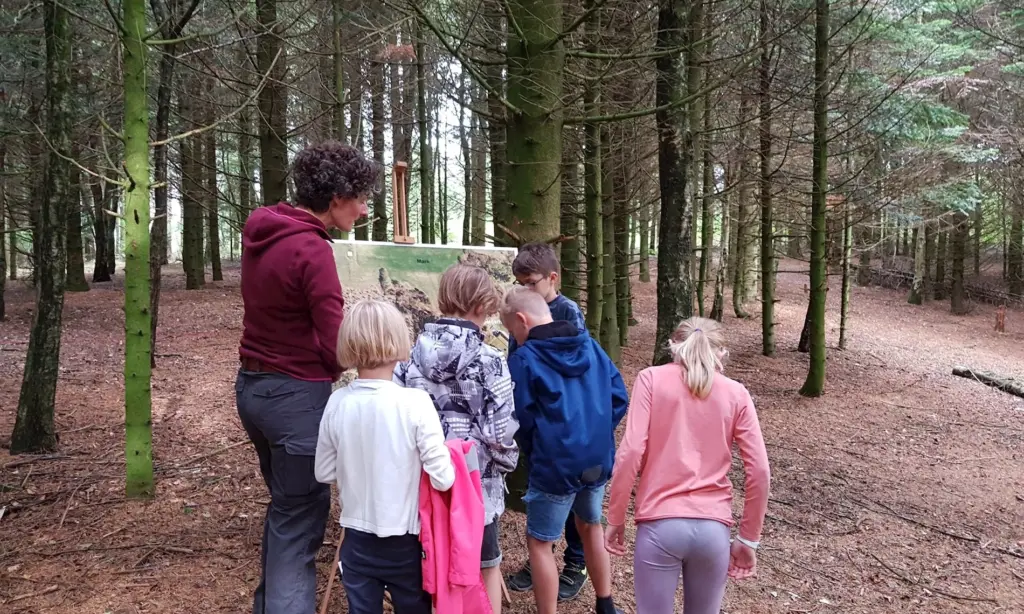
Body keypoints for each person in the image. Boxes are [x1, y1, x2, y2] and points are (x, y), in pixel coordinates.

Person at [235, 141, 380, 614]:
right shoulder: (312, 251)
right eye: (359, 198)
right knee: (299, 521)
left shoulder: (265, 232)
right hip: (296, 401)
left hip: (253, 393)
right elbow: (334, 341)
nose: (363, 208)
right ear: (336, 197)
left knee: (286, 510)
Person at [604, 317, 771, 614]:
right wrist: (748, 538)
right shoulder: (736, 393)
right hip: (713, 529)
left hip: (659, 525)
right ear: (722, 353)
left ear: (673, 347)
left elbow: (630, 452)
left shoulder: (650, 379)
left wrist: (616, 518)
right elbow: (758, 469)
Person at [314, 300, 455, 614]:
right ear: (399, 342)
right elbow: (444, 478)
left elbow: (323, 472)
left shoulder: (337, 401)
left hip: (355, 540)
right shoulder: (415, 403)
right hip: (406, 542)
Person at [394, 263, 519, 614]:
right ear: (482, 306)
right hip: (477, 488)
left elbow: (401, 423)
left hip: (425, 484)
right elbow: (501, 432)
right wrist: (508, 460)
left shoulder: (407, 358)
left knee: (432, 569)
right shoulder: (490, 361)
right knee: (486, 567)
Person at [500, 287, 629, 614]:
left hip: (555, 466)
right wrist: (594, 434)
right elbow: (618, 397)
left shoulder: (525, 359)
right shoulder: (591, 346)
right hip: (597, 461)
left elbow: (521, 418)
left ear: (522, 320)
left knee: (541, 543)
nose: (515, 337)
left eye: (512, 331)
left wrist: (539, 449)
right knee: (591, 525)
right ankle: (606, 604)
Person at [504, 242, 590, 602]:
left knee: (573, 502)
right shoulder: (521, 313)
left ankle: (576, 562)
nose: (525, 289)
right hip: (536, 424)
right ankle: (542, 562)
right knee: (542, 503)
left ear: (552, 278)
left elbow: (576, 369)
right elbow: (517, 359)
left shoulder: (568, 313)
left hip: (564, 425)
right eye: (519, 283)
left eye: (530, 282)